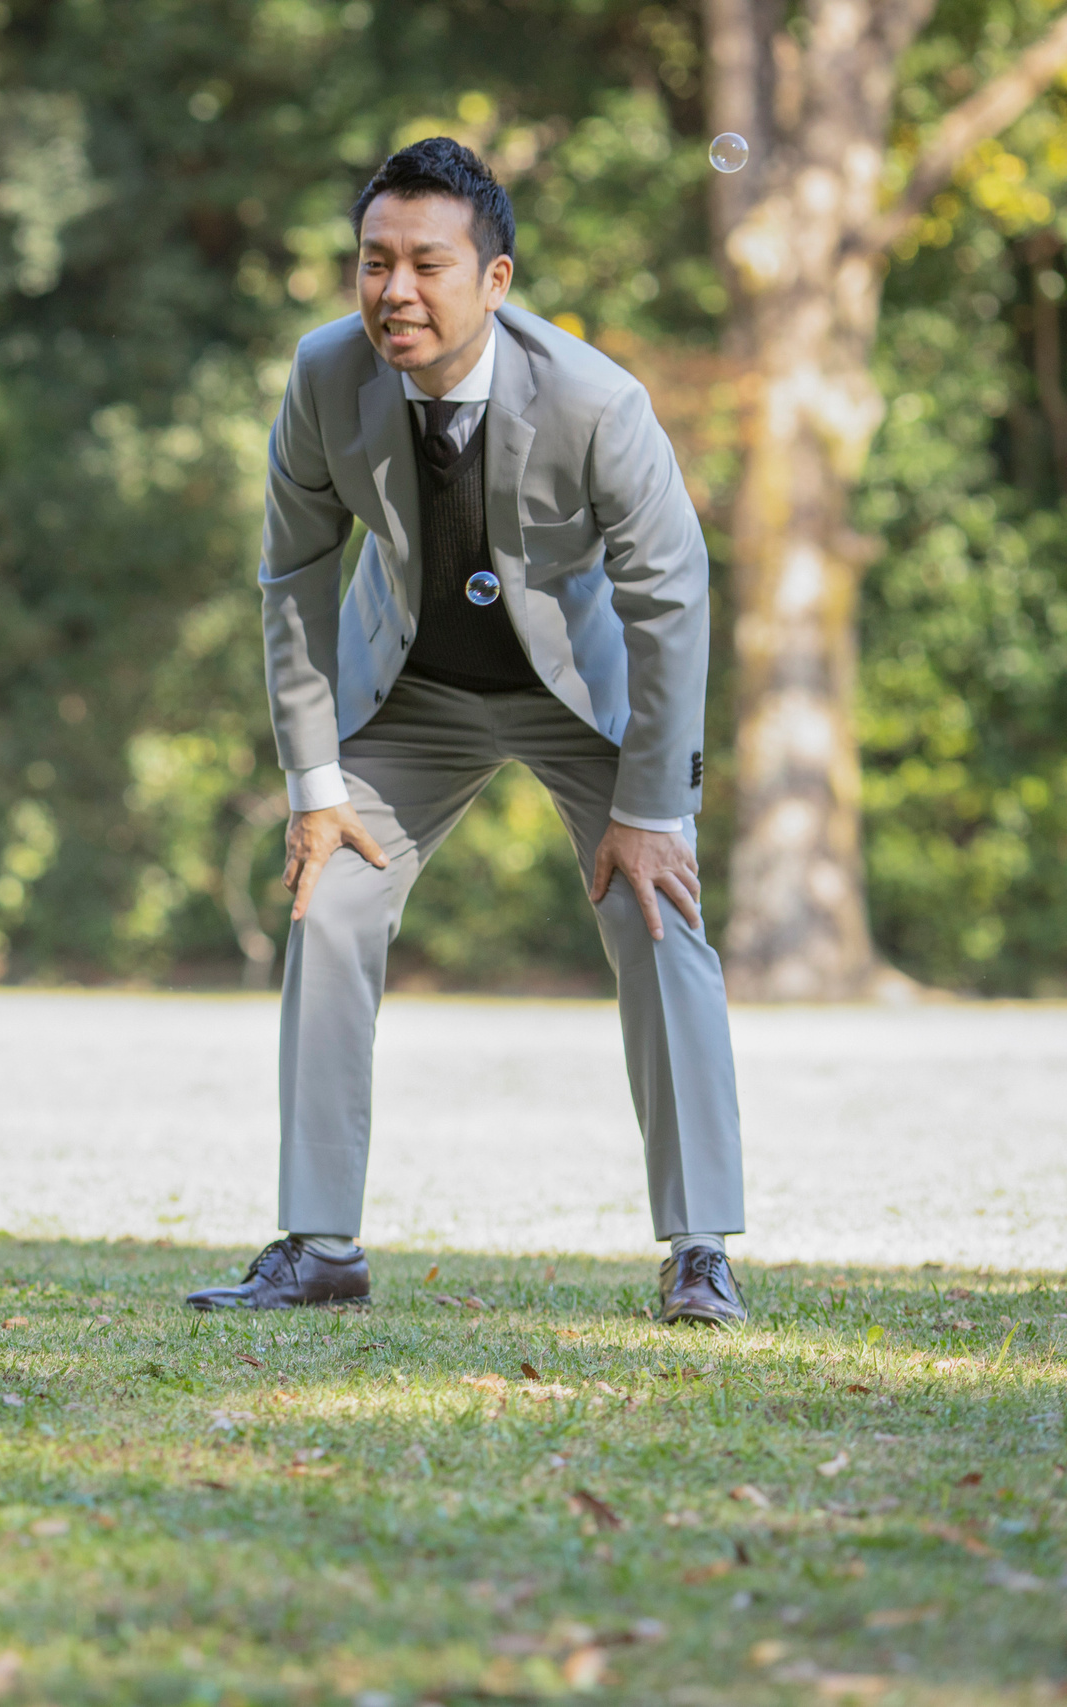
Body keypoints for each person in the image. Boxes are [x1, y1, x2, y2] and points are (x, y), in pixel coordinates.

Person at [186, 138, 748, 1326]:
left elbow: (672, 597)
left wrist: (652, 807)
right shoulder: (324, 376)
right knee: (329, 901)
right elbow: (290, 573)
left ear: (495, 280)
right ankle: (320, 1244)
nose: (394, 290)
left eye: (427, 265)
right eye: (372, 261)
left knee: (660, 913)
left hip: (577, 695)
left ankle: (699, 1249)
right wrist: (313, 779)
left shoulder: (597, 400)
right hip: (411, 689)